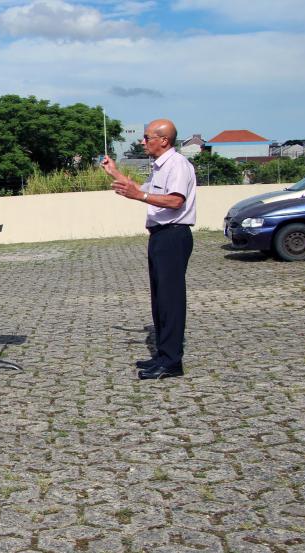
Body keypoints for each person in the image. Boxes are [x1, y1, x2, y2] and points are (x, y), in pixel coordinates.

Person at [101, 118, 196, 380]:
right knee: (160, 299)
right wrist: (117, 175)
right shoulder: (160, 166)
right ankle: (163, 355)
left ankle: (172, 362)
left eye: (147, 138)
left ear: (163, 140)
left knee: (171, 300)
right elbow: (145, 190)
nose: (143, 142)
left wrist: (139, 196)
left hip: (173, 235)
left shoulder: (177, 165)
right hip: (160, 236)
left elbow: (175, 201)